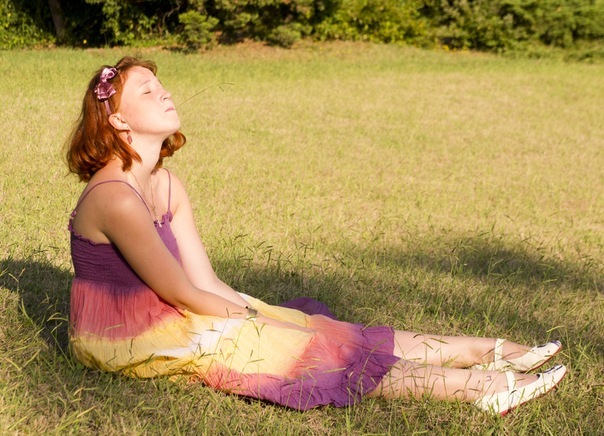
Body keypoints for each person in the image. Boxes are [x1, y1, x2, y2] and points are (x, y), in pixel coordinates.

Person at [65, 56, 566, 415]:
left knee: (318, 330)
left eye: (161, 85)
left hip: (177, 311)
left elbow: (204, 281)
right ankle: (482, 389)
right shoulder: (116, 198)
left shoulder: (167, 184)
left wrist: (256, 312)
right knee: (302, 350)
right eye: (147, 91)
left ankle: (487, 350)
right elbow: (180, 292)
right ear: (118, 119)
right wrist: (259, 324)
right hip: (128, 337)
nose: (165, 93)